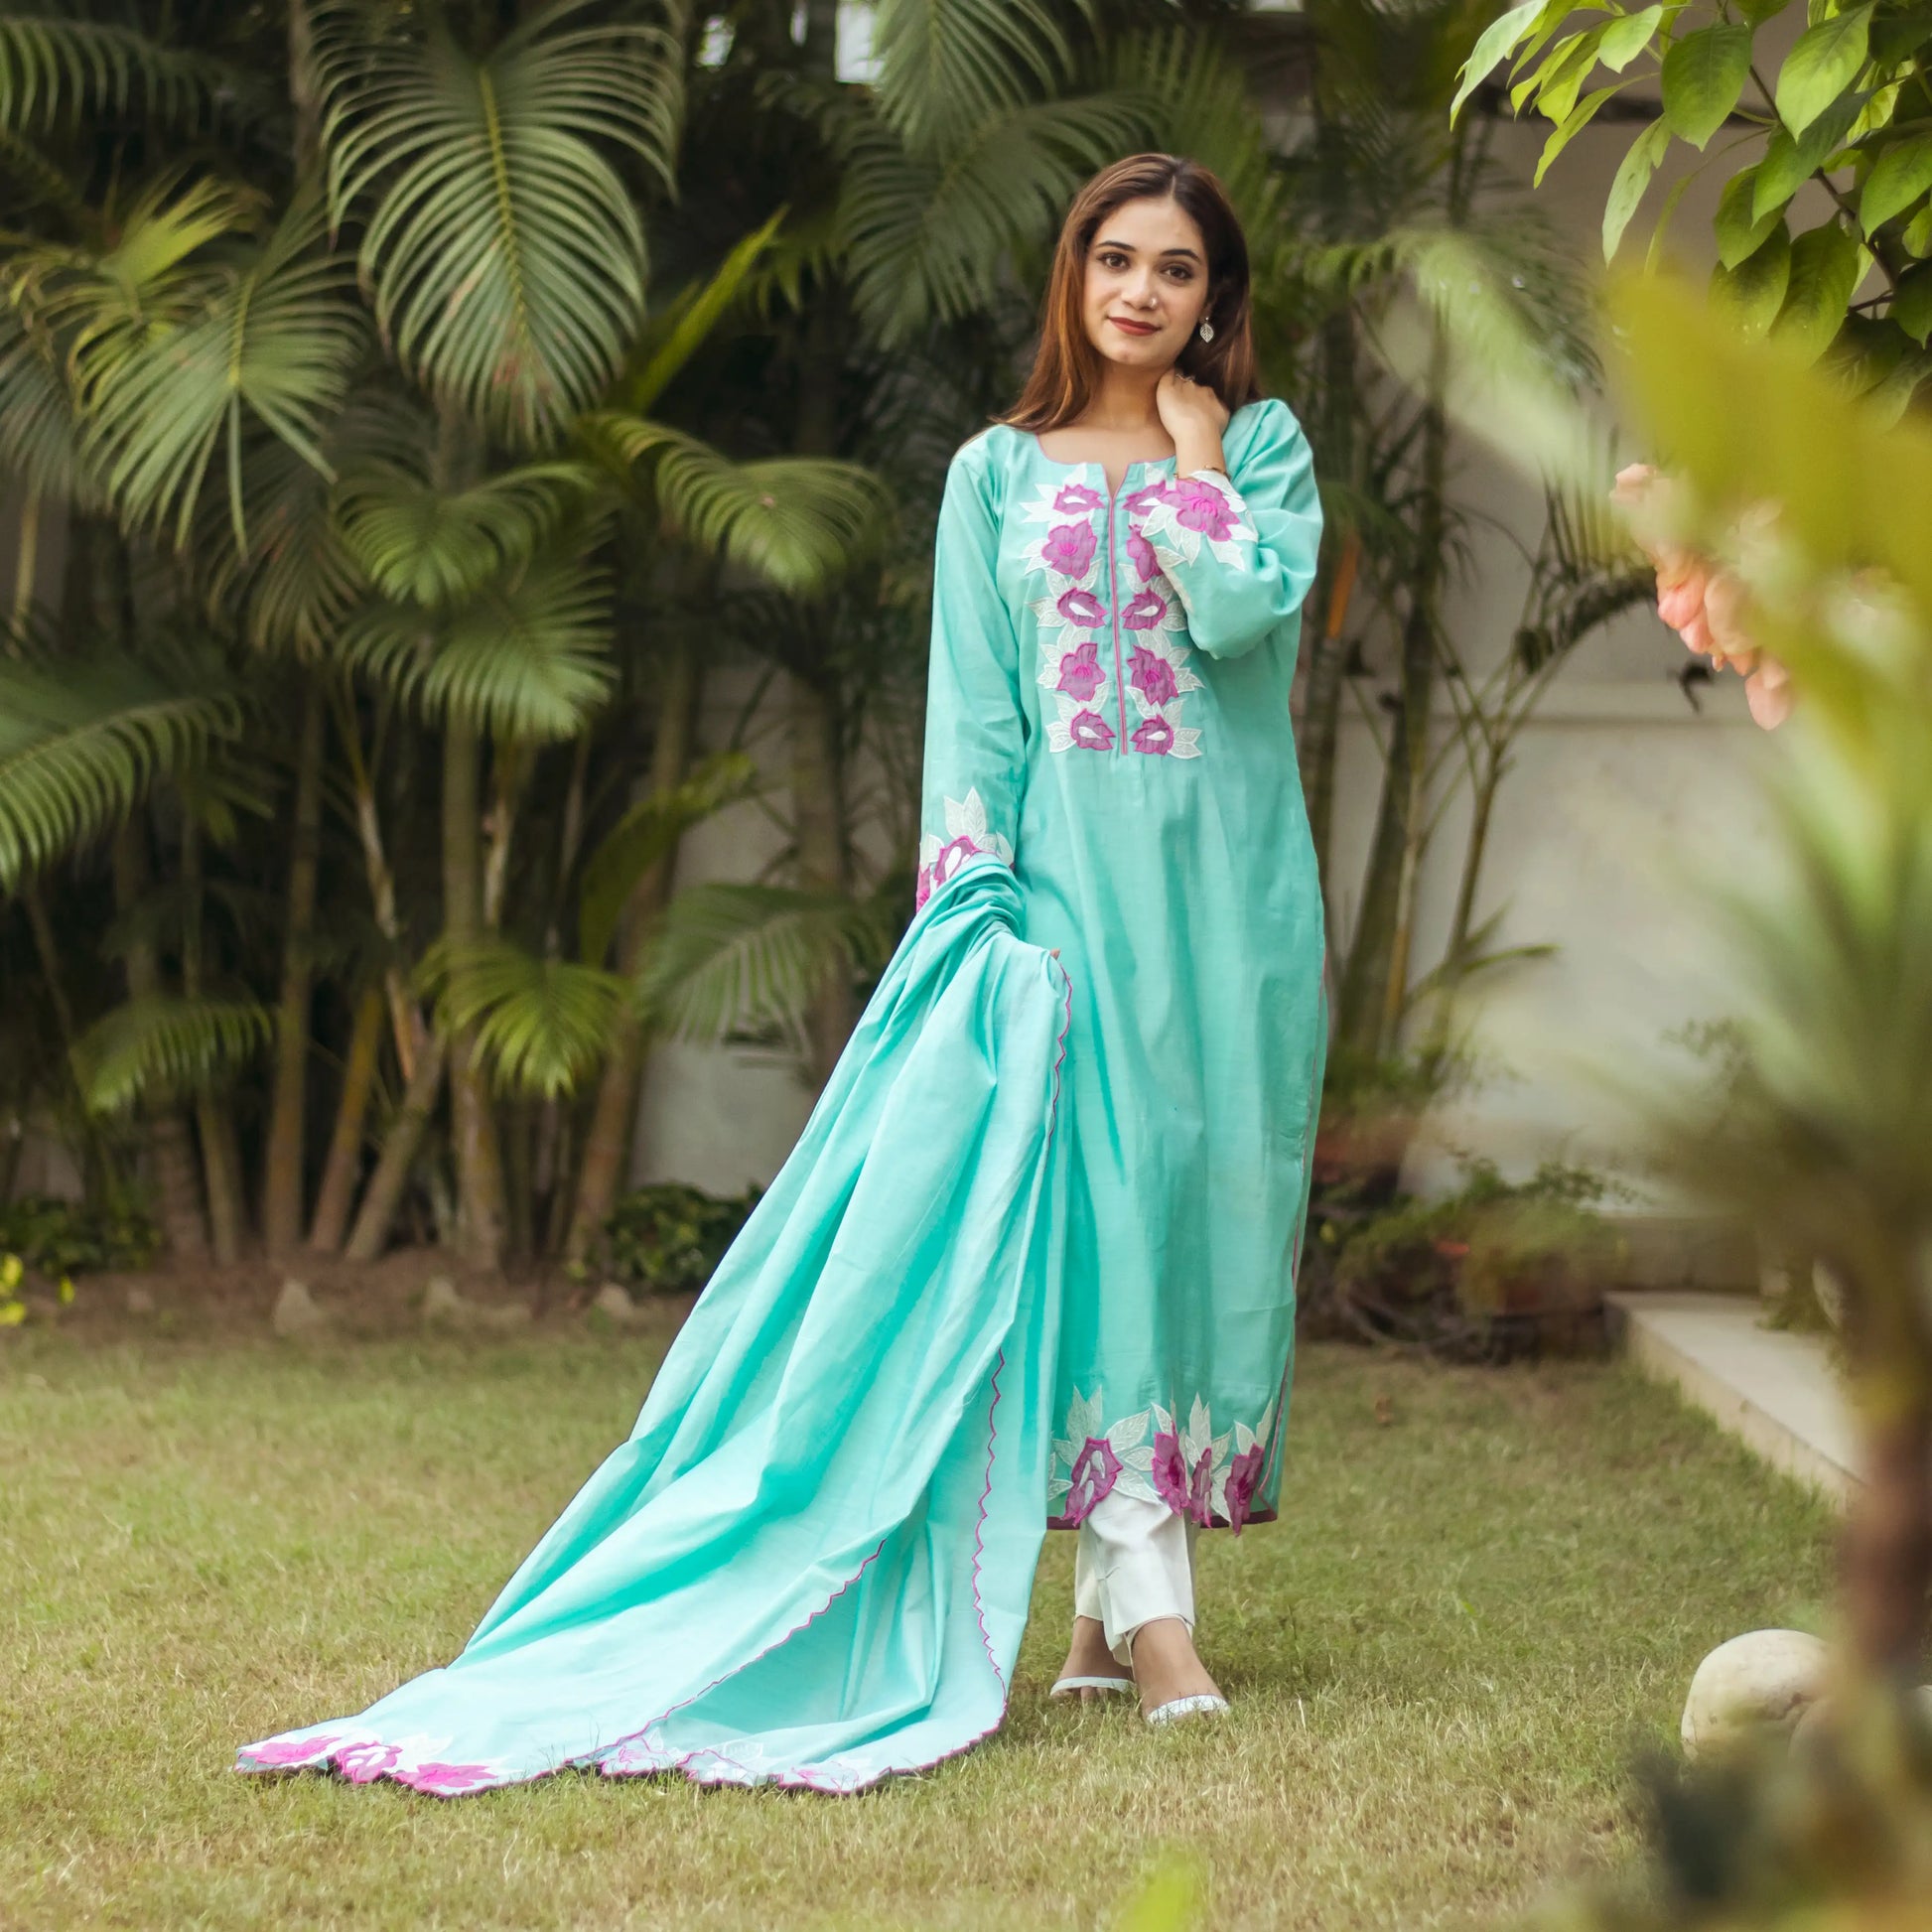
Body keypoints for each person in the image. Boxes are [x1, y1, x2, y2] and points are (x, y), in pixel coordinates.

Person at [234, 153, 1322, 1799]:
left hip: (1228, 908)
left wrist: (1186, 458)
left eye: (1176, 270)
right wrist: (980, 901)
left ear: (1214, 299)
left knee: (1186, 1213)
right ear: (1070, 273)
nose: (1139, 295)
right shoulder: (989, 475)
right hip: (1062, 907)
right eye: (1113, 259)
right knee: (1088, 1211)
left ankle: (1099, 1620)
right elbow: (974, 708)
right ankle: (1156, 1619)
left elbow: (1245, 619)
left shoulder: (1261, 453)